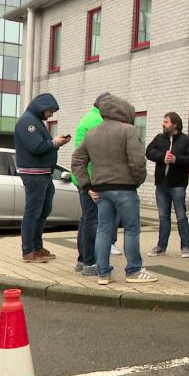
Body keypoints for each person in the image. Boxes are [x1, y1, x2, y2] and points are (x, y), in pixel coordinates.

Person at [71, 95, 157, 285]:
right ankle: (133, 270)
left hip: (101, 190)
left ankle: (103, 273)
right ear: (123, 111)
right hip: (125, 188)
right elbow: (137, 161)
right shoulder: (128, 130)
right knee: (131, 230)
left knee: (103, 230)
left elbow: (77, 160)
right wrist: (137, 181)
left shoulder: (91, 133)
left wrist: (87, 186)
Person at [14, 93, 70, 263]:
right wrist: (55, 143)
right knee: (33, 212)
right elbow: (36, 147)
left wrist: (55, 144)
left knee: (43, 211)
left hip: (43, 173)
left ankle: (37, 247)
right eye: (50, 111)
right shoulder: (28, 122)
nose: (51, 115)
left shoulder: (35, 121)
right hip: (34, 174)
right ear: (42, 107)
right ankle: (28, 251)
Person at [146, 112, 189, 258]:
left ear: (175, 124)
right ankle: (161, 247)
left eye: (166, 122)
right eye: (163, 121)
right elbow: (149, 152)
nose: (163, 124)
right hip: (161, 185)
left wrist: (177, 159)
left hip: (178, 184)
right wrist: (162, 157)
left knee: (181, 215)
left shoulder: (186, 140)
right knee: (163, 217)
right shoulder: (159, 138)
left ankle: (185, 247)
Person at [70, 92, 109, 275]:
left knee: (86, 219)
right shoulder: (97, 122)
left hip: (82, 177)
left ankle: (81, 260)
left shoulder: (88, 117)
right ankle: (90, 262)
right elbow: (98, 154)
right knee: (92, 221)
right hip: (91, 178)